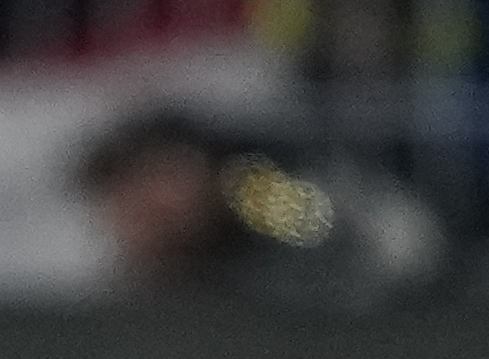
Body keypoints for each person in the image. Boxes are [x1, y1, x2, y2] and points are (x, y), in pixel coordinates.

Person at [75, 105, 443, 309]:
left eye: (158, 182)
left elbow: (393, 244)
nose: (150, 211)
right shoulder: (146, 272)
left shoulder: (254, 191)